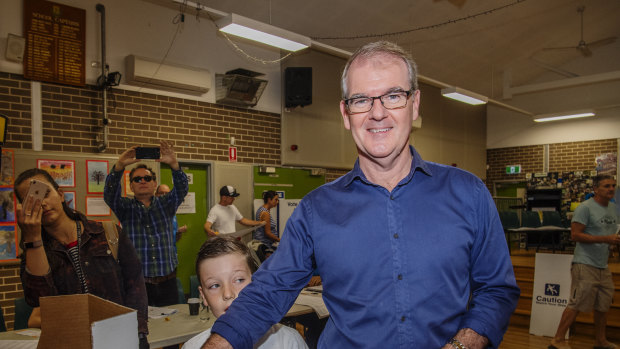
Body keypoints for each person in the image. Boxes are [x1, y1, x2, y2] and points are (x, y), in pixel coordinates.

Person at [202, 41, 520, 349]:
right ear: (345, 113)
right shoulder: (316, 210)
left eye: (393, 96)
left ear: (415, 104)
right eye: (361, 100)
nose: (377, 113)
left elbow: (497, 290)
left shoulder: (468, 193)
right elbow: (270, 290)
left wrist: (464, 343)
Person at [15, 168, 149, 347]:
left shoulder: (107, 233)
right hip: (70, 342)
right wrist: (32, 238)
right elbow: (41, 300)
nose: (42, 204)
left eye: (45, 194)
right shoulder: (34, 251)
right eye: (31, 201)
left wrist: (138, 333)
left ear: (60, 194)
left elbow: (135, 285)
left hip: (118, 337)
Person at [104, 140, 188, 307]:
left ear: (154, 183)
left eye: (147, 178)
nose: (142, 181)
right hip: (138, 284)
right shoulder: (125, 208)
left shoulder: (167, 204)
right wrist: (119, 166)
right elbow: (110, 194)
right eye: (137, 179)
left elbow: (181, 189)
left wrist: (174, 165)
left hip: (167, 282)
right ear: (131, 187)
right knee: (141, 327)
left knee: (169, 325)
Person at [182, 237, 308, 349]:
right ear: (203, 295)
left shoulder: (289, 342)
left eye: (239, 280)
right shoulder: (193, 346)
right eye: (214, 285)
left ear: (256, 282)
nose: (227, 294)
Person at [549, 174, 618, 349]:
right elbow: (575, 235)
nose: (611, 189)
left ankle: (600, 341)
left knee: (603, 305)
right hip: (584, 264)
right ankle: (557, 341)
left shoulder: (613, 208)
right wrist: (606, 239)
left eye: (613, 185)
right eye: (606, 186)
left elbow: (610, 235)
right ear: (595, 189)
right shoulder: (585, 208)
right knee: (576, 303)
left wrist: (612, 244)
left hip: (603, 265)